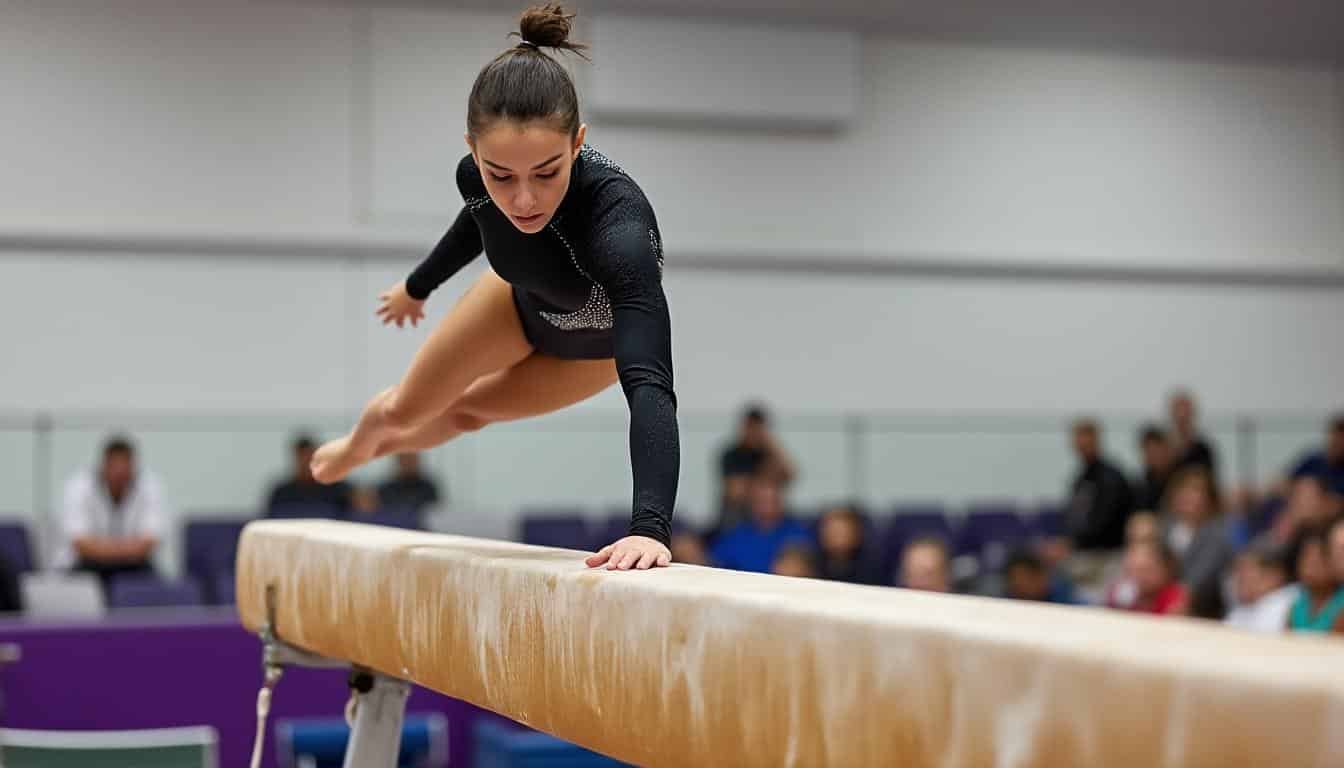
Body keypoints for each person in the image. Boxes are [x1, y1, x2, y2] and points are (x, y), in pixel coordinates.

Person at [308, 5, 678, 571]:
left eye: (547, 172)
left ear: (578, 142)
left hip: (593, 352)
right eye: (499, 174)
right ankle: (361, 446)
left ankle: (384, 441)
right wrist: (417, 287)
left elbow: (650, 382)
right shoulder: (473, 180)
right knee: (406, 409)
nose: (523, 200)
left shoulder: (619, 229)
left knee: (466, 413)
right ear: (473, 150)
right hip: (514, 306)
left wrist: (649, 528)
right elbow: (474, 226)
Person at [56, 436, 166, 591]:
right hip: (84, 565)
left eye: (124, 467)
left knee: (158, 588)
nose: (119, 473)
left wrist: (102, 547)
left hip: (135, 566)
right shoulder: (78, 487)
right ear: (104, 465)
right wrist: (127, 549)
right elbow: (80, 544)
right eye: (115, 466)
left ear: (133, 467)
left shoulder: (150, 486)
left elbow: (149, 542)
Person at [1162, 468, 1234, 619]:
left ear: (1210, 498)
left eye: (1195, 490)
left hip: (1202, 611)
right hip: (1160, 599)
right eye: (1183, 489)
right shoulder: (1165, 527)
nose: (1187, 496)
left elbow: (1195, 584)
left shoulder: (1217, 536)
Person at [709, 473, 810, 574]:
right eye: (762, 500)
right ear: (752, 501)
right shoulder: (734, 537)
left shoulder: (798, 532)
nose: (767, 506)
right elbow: (715, 569)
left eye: (772, 499)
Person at [1064, 419, 1134, 552]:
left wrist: (1075, 542)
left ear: (1096, 440)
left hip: (1107, 551)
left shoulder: (1110, 477)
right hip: (1084, 549)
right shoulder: (1081, 478)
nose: (1082, 445)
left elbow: (1105, 521)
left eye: (1086, 441)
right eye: (1079, 441)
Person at [266, 434, 353, 515]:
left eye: (310, 458)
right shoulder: (282, 492)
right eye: (302, 458)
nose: (306, 463)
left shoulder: (338, 490)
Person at [1223, 539, 1295, 633]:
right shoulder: (1240, 610)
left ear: (1273, 576)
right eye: (1238, 571)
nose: (1238, 579)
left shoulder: (1287, 601)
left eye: (1246, 571)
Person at [1287, 528, 1344, 634]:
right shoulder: (1296, 604)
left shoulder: (1341, 604)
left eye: (1317, 562)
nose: (1309, 569)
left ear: (1333, 561)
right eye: (1305, 560)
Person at [1168, 390, 1219, 482]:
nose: (1181, 416)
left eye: (1185, 412)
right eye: (1178, 411)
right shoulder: (1164, 448)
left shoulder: (1203, 450)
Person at [376, 452, 443, 515]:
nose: (407, 462)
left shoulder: (428, 487)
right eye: (404, 458)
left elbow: (435, 512)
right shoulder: (387, 488)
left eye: (410, 459)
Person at [1134, 424, 1175, 514]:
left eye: (1156, 451)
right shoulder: (1139, 485)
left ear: (1168, 450)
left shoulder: (1180, 480)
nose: (1153, 456)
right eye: (1149, 452)